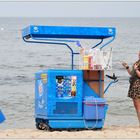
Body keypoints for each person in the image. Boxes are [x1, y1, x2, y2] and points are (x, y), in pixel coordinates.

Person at [122, 51, 140, 126]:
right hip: (134, 86)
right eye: (139, 53)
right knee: (136, 106)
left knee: (138, 106)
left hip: (138, 86)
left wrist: (136, 69)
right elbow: (131, 74)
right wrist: (127, 67)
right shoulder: (137, 62)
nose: (139, 54)